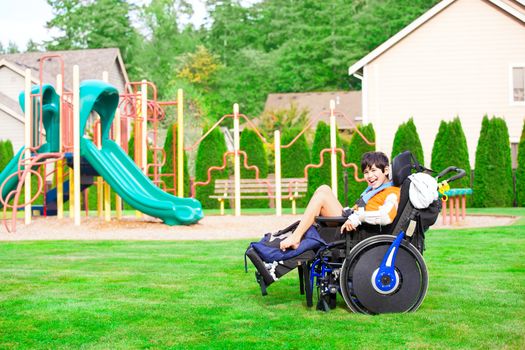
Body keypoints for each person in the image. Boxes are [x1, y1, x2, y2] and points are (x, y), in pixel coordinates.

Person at [279, 151, 400, 251]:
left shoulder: (392, 192)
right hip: (348, 224)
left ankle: (296, 237)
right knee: (323, 189)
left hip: (353, 234)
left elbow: (386, 216)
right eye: (366, 172)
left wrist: (358, 217)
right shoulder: (374, 189)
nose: (369, 176)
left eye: (374, 170)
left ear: (386, 170)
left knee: (323, 194)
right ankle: (297, 234)